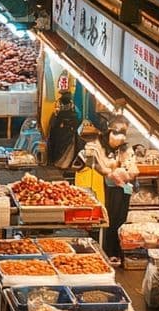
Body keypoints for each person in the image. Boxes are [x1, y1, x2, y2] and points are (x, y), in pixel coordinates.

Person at [82, 115, 141, 262]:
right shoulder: (95, 145)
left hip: (118, 192)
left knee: (116, 222)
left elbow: (133, 169)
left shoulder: (125, 148)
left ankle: (112, 253)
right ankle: (95, 252)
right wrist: (110, 172)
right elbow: (91, 163)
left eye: (123, 134)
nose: (120, 138)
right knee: (98, 222)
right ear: (109, 131)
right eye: (117, 133)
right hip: (98, 189)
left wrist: (127, 174)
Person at [46, 90, 83, 176]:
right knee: (67, 148)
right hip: (69, 130)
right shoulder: (73, 108)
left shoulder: (60, 106)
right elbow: (78, 119)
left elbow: (53, 123)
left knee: (61, 148)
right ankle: (64, 164)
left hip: (61, 131)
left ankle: (61, 163)